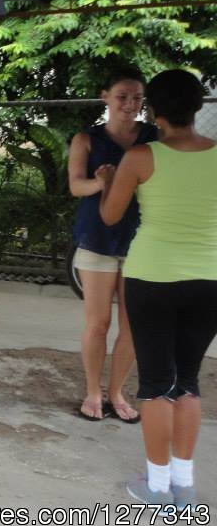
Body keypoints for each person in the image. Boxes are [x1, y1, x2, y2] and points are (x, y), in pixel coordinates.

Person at [100, 69, 217, 509]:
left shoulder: (142, 156)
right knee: (187, 382)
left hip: (152, 279)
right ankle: (184, 486)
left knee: (154, 385)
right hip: (210, 279)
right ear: (197, 108)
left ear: (154, 111)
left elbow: (111, 217)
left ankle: (157, 485)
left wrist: (111, 179)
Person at [68, 68, 156, 423]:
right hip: (98, 238)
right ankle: (93, 391)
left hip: (143, 238)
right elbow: (76, 186)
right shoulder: (85, 139)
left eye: (137, 98)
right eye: (122, 96)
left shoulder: (155, 138)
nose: (130, 104)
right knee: (98, 323)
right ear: (105, 96)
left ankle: (117, 391)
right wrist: (101, 182)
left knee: (132, 324)